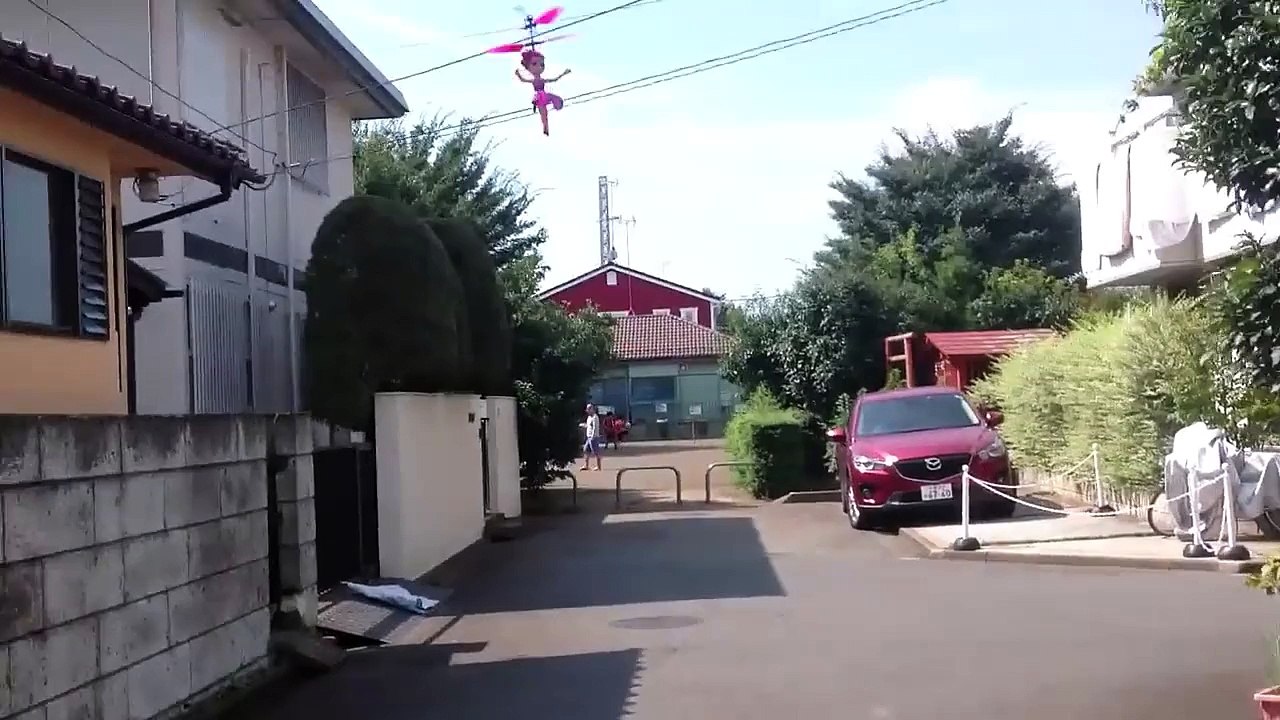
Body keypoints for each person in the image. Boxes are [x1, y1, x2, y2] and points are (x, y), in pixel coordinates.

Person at [581, 403, 603, 471]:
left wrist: (593, 436)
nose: (587, 410)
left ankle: (599, 467)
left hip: (594, 437)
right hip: (589, 437)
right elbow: (589, 426)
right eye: (587, 409)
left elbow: (595, 427)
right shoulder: (589, 417)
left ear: (592, 409)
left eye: (588, 409)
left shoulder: (595, 417)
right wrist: (583, 425)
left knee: (596, 452)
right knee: (586, 450)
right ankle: (586, 465)